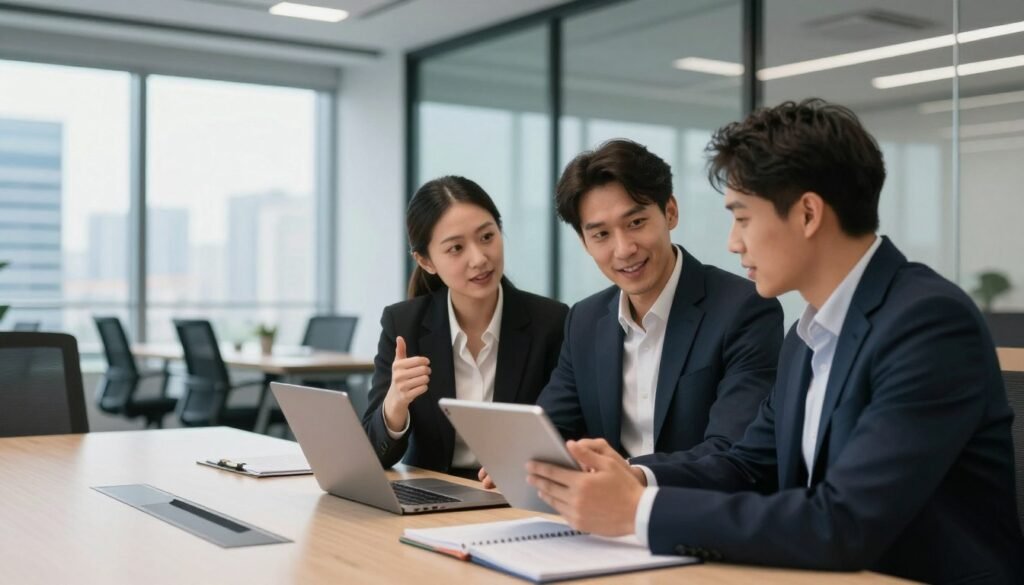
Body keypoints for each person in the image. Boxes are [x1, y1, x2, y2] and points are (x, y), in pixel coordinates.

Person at [526, 99, 1024, 584]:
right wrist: (636, 480)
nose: (732, 241)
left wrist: (639, 511)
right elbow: (746, 463)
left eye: (742, 217)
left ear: (807, 214)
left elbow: (843, 522)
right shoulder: (808, 335)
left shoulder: (927, 323)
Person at [480, 139, 781, 489]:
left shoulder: (743, 308)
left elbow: (732, 450)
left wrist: (628, 474)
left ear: (670, 211)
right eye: (601, 234)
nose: (623, 249)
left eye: (636, 222)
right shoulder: (585, 320)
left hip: (697, 519)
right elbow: (550, 429)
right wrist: (520, 457)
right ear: (584, 241)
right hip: (600, 522)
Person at [362, 175, 568, 478]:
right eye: (456, 248)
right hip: (434, 496)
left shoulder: (551, 322)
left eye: (487, 237)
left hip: (514, 497)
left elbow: (568, 431)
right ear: (426, 261)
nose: (479, 258)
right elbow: (373, 456)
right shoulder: (403, 324)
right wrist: (395, 404)